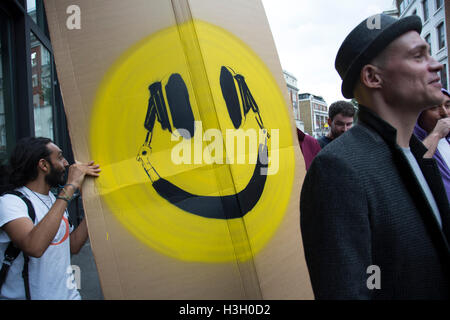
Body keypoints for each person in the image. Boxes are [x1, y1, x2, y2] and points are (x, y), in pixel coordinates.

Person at [300, 14, 449, 299]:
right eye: (418, 56)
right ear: (372, 77)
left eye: (430, 52)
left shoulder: (421, 153)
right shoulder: (338, 168)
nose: (436, 64)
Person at [0, 137, 100, 299]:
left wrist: (93, 204)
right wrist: (71, 186)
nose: (66, 163)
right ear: (43, 165)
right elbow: (34, 247)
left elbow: (72, 246)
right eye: (60, 157)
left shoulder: (54, 201)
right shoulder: (10, 203)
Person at [414, 88, 450, 201]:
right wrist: (437, 134)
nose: (444, 113)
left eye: (448, 106)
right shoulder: (412, 143)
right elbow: (415, 167)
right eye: (434, 107)